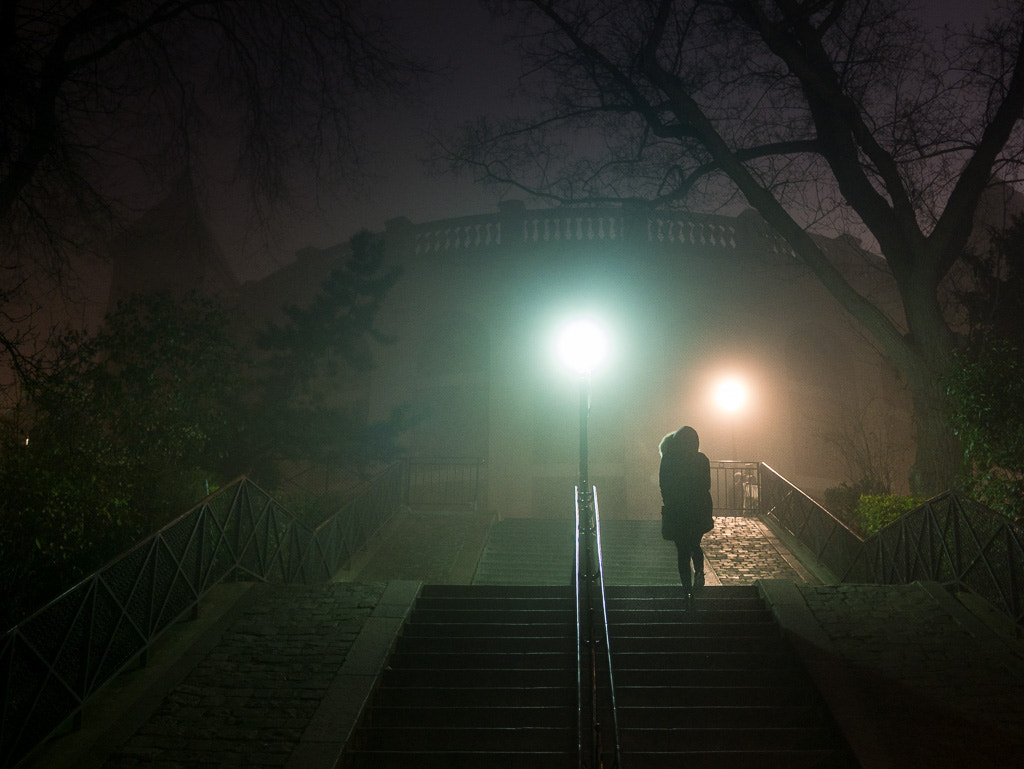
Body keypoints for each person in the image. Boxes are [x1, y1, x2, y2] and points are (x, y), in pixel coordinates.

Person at [659, 425, 714, 591]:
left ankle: (686, 588)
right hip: (698, 510)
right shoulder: (702, 459)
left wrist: (670, 502)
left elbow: (664, 484)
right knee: (695, 544)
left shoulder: (668, 459)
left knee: (682, 550)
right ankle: (699, 571)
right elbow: (706, 485)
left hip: (677, 511)